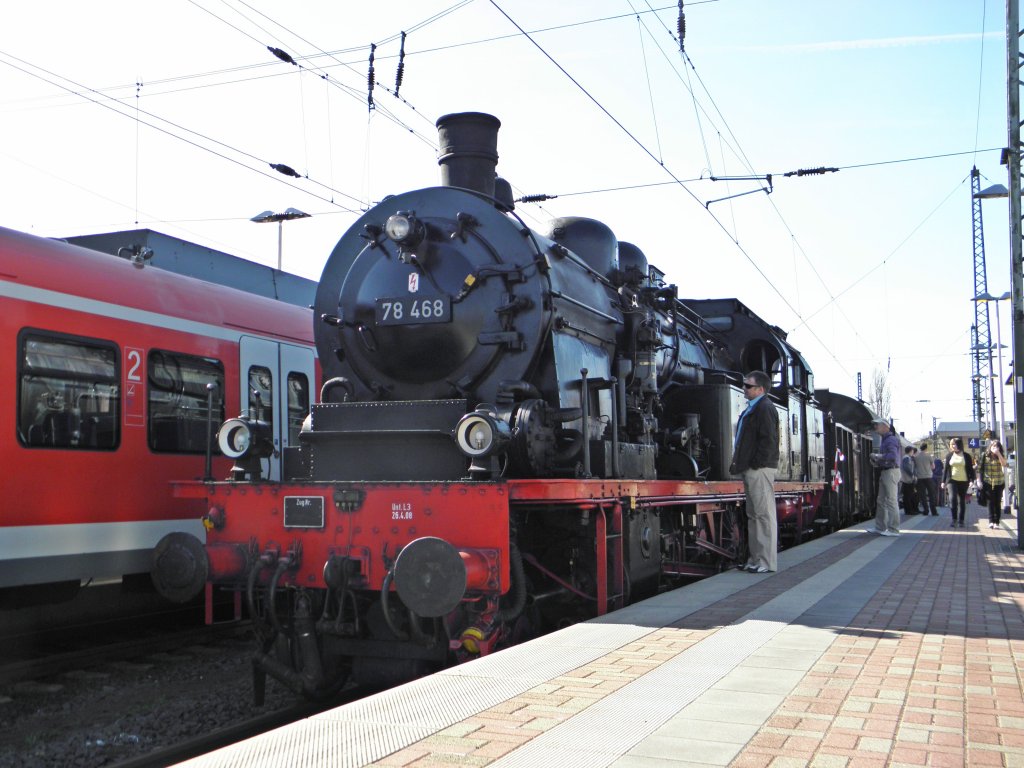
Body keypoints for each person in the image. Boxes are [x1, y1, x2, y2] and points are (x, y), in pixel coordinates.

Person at [729, 371, 779, 574]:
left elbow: (768, 440)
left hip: (759, 468)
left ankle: (766, 562)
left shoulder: (764, 408)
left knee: (763, 515)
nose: (744, 389)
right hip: (751, 468)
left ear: (760, 389)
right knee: (754, 515)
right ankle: (756, 559)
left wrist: (756, 464)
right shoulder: (754, 408)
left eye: (748, 386)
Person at [869, 417, 901, 536]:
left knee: (891, 501)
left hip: (891, 472)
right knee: (881, 500)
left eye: (877, 425)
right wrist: (878, 462)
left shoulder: (890, 440)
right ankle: (880, 527)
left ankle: (894, 530)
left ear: (885, 427)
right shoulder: (886, 439)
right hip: (887, 471)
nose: (875, 427)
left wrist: (877, 456)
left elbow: (892, 456)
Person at [941, 437, 975, 528]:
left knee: (962, 501)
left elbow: (971, 470)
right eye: (952, 444)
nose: (953, 446)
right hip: (952, 480)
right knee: (952, 499)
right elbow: (946, 469)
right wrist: (943, 481)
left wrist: (972, 480)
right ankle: (954, 519)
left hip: (964, 481)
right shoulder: (949, 456)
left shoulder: (966, 456)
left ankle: (961, 520)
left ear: (959, 445)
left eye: (954, 444)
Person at [978, 439, 1008, 529]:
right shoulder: (985, 455)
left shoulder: (1001, 455)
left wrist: (998, 454)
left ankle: (997, 522)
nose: (995, 448)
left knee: (997, 502)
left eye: (997, 446)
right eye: (994, 446)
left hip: (999, 481)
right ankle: (991, 521)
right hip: (988, 482)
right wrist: (979, 481)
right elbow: (980, 469)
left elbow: (1004, 464)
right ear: (990, 447)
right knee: (990, 502)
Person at [914, 442, 938, 515]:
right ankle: (933, 511)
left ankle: (926, 510)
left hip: (920, 478)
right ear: (926, 448)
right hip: (928, 477)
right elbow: (933, 467)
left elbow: (914, 467)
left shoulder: (916, 457)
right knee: (931, 494)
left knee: (923, 495)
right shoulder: (929, 456)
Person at [900, 446, 919, 514]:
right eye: (912, 451)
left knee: (908, 496)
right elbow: (907, 468)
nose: (913, 452)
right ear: (910, 451)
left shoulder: (907, 458)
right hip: (907, 480)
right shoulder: (906, 458)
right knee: (908, 496)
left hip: (907, 480)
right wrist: (912, 475)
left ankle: (909, 510)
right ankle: (909, 511)